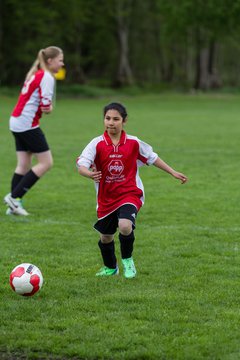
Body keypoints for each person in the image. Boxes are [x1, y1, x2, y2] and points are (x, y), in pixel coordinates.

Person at [76, 102, 188, 279]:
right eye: (107, 118)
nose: (111, 123)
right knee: (106, 237)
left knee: (125, 225)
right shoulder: (96, 144)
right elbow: (81, 164)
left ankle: (128, 261)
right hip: (106, 198)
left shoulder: (134, 142)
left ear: (124, 121)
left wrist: (173, 172)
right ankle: (111, 267)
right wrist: (89, 174)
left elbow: (153, 157)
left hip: (130, 193)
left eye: (116, 119)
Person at [4, 46, 64, 216]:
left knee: (23, 164)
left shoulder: (36, 73)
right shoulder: (46, 76)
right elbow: (45, 107)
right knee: (46, 162)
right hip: (26, 123)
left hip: (16, 121)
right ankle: (14, 197)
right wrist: (50, 108)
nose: (62, 63)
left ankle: (13, 206)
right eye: (60, 60)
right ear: (50, 61)